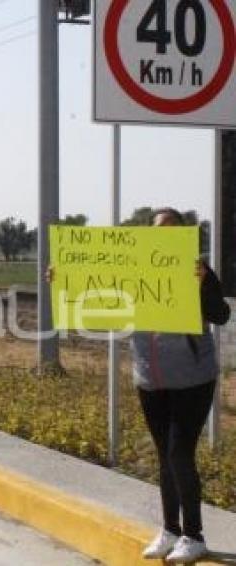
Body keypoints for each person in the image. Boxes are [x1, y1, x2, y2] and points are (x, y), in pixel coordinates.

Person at [131, 208, 230, 563]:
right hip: (150, 377)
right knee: (164, 455)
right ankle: (170, 530)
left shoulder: (197, 268)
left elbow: (221, 314)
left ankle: (194, 535)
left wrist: (203, 284)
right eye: (158, 229)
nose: (164, 234)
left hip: (192, 377)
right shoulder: (133, 266)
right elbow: (95, 293)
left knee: (178, 452)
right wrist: (63, 279)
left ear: (183, 234)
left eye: (172, 229)